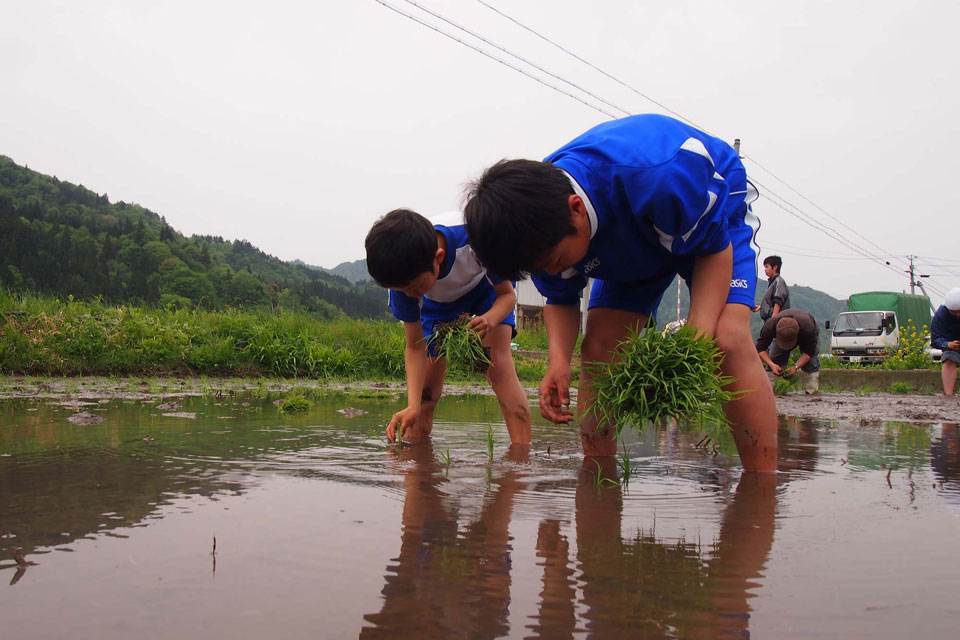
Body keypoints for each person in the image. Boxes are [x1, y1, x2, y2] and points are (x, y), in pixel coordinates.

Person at [463, 114, 777, 472]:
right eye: (542, 270)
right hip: (624, 241)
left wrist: (696, 336)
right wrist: (559, 362)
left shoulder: (662, 175)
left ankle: (760, 486)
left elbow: (714, 250)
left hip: (709, 219)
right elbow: (561, 299)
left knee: (727, 340)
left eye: (556, 260)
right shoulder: (538, 228)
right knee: (598, 351)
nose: (553, 272)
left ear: (576, 210)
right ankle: (599, 480)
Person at [365, 208, 531, 443]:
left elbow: (508, 296)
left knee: (499, 367)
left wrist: (490, 318)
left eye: (415, 286)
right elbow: (415, 346)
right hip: (437, 304)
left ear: (439, 257)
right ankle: (417, 468)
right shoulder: (404, 285)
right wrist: (412, 405)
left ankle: (521, 463)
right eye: (404, 290)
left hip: (488, 290)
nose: (410, 293)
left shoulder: (476, 238)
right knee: (426, 395)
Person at [755, 309, 820, 394]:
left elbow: (809, 352)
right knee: (775, 359)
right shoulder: (770, 326)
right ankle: (773, 391)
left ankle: (811, 390)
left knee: (811, 363)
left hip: (807, 330)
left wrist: (795, 367)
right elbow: (760, 349)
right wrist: (772, 365)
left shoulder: (808, 328)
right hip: (779, 330)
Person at [931, 287, 960, 396]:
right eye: (954, 312)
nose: (958, 315)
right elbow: (935, 339)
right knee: (949, 359)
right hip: (952, 347)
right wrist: (947, 344)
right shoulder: (940, 315)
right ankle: (949, 394)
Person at [754, 255, 789, 320]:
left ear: (775, 267)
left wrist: (773, 321)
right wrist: (761, 307)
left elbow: (778, 302)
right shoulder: (773, 282)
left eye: (767, 267)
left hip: (774, 320)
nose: (765, 269)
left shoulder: (779, 282)